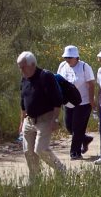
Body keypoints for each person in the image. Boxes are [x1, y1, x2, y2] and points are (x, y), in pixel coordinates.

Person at [17, 51, 66, 181]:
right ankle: (35, 179)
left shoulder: (46, 76)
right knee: (28, 151)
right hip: (29, 120)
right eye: (20, 67)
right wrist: (22, 122)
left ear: (32, 64)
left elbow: (57, 100)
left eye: (23, 67)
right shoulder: (24, 79)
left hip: (45, 119)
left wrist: (55, 119)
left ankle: (61, 170)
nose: (21, 70)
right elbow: (23, 103)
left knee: (41, 149)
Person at [57, 45, 95, 160]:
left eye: (70, 57)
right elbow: (58, 81)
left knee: (77, 128)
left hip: (83, 102)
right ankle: (85, 139)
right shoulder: (62, 66)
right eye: (66, 57)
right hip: (68, 102)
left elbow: (91, 84)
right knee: (69, 127)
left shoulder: (84, 67)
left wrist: (91, 101)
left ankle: (75, 152)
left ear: (76, 57)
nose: (67, 60)